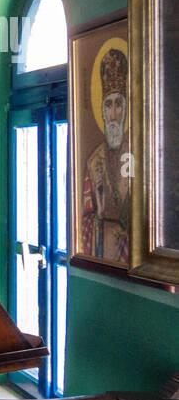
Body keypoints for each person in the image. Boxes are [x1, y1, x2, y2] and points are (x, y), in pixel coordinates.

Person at [81, 46, 130, 262]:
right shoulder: (94, 161)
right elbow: (84, 220)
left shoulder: (137, 154)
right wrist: (100, 209)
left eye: (119, 104)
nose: (114, 113)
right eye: (108, 105)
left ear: (126, 109)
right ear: (102, 110)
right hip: (104, 250)